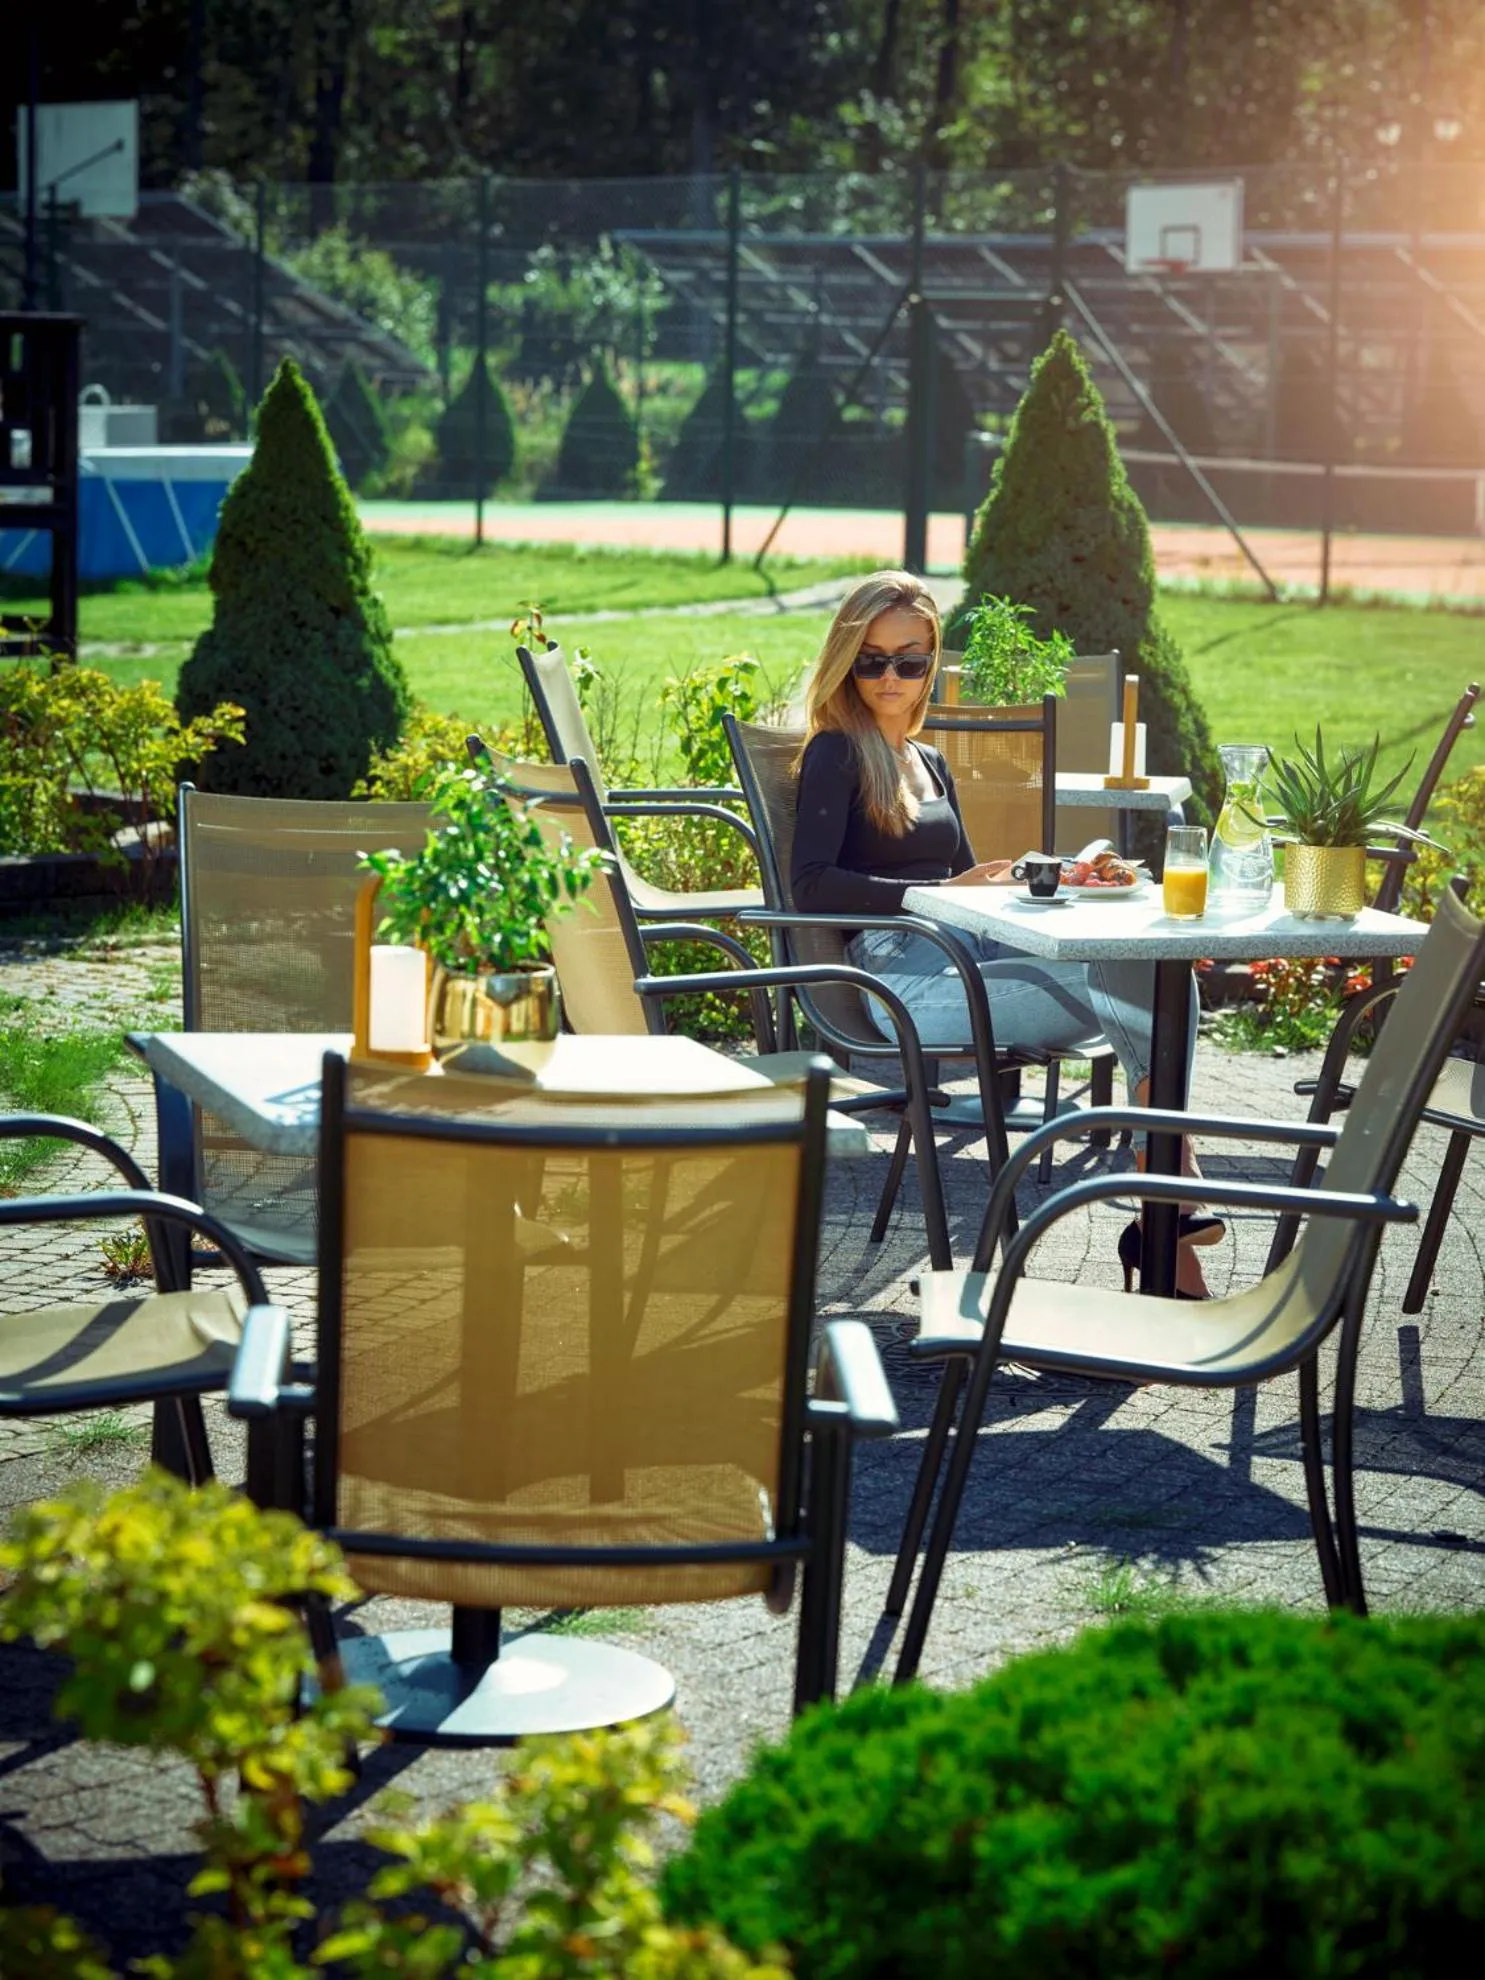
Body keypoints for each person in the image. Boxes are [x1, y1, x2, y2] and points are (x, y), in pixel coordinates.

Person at [790, 569, 1222, 1298]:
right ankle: (1172, 1191)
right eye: (872, 659)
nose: (890, 676)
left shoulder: (925, 761)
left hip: (964, 958)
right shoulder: (838, 753)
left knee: (1157, 966)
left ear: (931, 661)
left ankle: (1167, 1227)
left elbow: (966, 887)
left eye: (910, 659)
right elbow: (811, 888)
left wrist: (1035, 878)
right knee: (1132, 978)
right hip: (903, 984)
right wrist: (935, 894)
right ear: (847, 660)